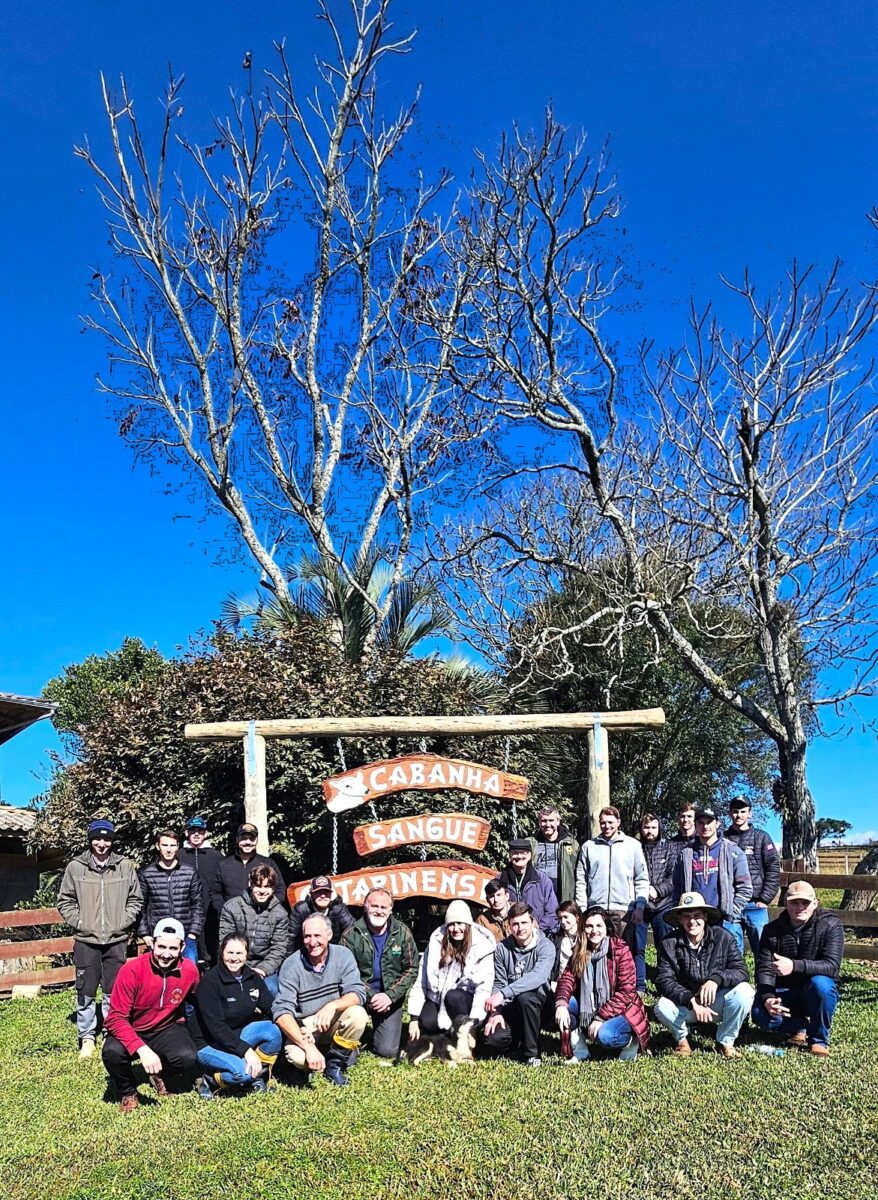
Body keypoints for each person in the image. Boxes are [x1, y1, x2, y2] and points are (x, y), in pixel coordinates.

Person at [57, 818, 142, 1059]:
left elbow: (135, 899)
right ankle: (86, 1036)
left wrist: (122, 922)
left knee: (112, 990)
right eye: (97, 838)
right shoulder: (76, 867)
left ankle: (110, 1031)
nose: (102, 843)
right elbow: (65, 900)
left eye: (106, 839)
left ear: (112, 841)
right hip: (86, 941)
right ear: (90, 840)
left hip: (116, 940)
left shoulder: (125, 867)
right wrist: (81, 923)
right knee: (86, 989)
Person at [102, 918, 200, 1112]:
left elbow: (198, 1003)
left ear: (182, 947)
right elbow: (115, 1018)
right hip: (132, 1027)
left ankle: (160, 1075)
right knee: (111, 1053)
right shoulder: (131, 970)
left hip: (166, 1027)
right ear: (152, 944)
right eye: (161, 946)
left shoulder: (190, 970)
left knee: (187, 1056)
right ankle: (128, 1091)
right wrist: (142, 1049)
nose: (166, 954)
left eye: (173, 948)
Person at [654, 891, 754, 1058]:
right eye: (686, 916)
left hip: (717, 1002)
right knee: (661, 1007)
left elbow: (741, 971)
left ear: (706, 917)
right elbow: (664, 980)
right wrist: (690, 1000)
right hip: (687, 1005)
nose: (692, 921)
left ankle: (725, 1041)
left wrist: (715, 980)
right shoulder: (668, 943)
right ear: (679, 919)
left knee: (745, 991)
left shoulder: (723, 937)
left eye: (697, 915)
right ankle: (682, 1041)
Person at [273, 912, 367, 1086]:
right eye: (307, 936)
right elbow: (281, 1012)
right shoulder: (291, 965)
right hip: (305, 1025)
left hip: (333, 1018)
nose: (312, 941)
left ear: (329, 935)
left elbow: (358, 993)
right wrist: (308, 1047)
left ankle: (334, 1065)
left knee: (358, 1014)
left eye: (317, 935)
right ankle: (316, 1058)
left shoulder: (343, 955)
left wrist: (333, 1005)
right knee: (298, 1058)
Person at [752, 879, 845, 1056]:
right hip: (785, 990)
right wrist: (768, 998)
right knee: (758, 1013)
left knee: (821, 985)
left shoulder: (831, 925)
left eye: (805, 902)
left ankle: (818, 1040)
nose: (800, 907)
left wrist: (794, 966)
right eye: (794, 902)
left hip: (814, 989)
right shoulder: (772, 930)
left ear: (815, 903)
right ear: (785, 903)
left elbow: (832, 966)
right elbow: (764, 968)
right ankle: (799, 1026)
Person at [189, 932, 281, 1097]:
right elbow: (216, 1028)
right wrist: (247, 1051)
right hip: (209, 1042)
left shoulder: (252, 977)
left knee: (274, 1030)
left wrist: (299, 1026)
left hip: (237, 1035)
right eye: (229, 953)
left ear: (247, 954)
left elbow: (271, 1007)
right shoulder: (210, 981)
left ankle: (258, 1076)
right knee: (242, 1074)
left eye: (239, 953)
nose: (234, 958)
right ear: (222, 953)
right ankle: (208, 1079)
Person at [555, 906, 649, 1061]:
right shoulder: (580, 950)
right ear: (583, 928)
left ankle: (632, 1043)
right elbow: (566, 979)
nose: (594, 931)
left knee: (606, 1036)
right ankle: (580, 1049)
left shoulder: (620, 950)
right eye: (589, 926)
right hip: (591, 1005)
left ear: (607, 928)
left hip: (623, 1010)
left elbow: (626, 992)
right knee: (565, 1003)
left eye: (599, 926)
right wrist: (561, 1004)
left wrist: (600, 1018)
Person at [574, 806, 648, 987]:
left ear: (618, 822)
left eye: (610, 822)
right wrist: (582, 910)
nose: (606, 826)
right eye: (603, 823)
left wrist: (640, 906)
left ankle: (627, 992)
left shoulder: (633, 846)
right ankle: (597, 990)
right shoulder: (589, 847)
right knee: (597, 953)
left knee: (623, 954)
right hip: (595, 909)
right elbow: (581, 880)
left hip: (623, 910)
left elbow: (641, 879)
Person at [341, 887, 419, 1059]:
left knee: (387, 1051)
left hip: (390, 998)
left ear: (391, 910)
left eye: (384, 907)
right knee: (349, 1049)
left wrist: (390, 996)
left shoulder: (402, 932)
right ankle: (350, 1039)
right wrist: (371, 995)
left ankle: (377, 1033)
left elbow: (412, 968)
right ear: (365, 907)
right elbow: (346, 973)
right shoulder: (351, 935)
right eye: (374, 905)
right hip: (358, 995)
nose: (379, 911)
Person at [408, 900, 496, 1039]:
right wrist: (414, 1018)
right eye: (451, 924)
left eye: (460, 923)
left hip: (465, 1000)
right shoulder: (435, 942)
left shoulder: (482, 947)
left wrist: (473, 1022)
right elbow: (421, 981)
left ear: (468, 924)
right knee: (427, 1021)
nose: (456, 928)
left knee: (453, 996)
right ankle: (448, 1035)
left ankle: (464, 1034)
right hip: (438, 997)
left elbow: (483, 989)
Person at [671, 806, 752, 953]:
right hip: (695, 919)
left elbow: (745, 887)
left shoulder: (732, 851)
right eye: (701, 822)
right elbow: (676, 887)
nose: (705, 826)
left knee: (730, 960)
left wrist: (731, 911)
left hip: (725, 919)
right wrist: (680, 915)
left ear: (718, 823)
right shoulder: (686, 854)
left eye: (709, 822)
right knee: (696, 959)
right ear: (695, 825)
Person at [482, 903, 555, 1066]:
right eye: (515, 924)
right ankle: (519, 1039)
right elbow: (499, 981)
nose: (520, 928)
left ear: (533, 922)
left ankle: (532, 1054)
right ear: (509, 926)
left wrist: (502, 994)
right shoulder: (502, 948)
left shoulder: (545, 946)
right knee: (493, 1041)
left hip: (540, 1005)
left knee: (526, 997)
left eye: (524, 923)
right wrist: (497, 1011)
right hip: (512, 1006)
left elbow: (538, 977)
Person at [218, 864, 289, 996]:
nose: (262, 891)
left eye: (267, 887)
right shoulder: (232, 907)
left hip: (264, 966)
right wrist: (242, 968)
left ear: (273, 888)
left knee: (272, 990)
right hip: (234, 961)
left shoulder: (280, 914)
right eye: (258, 886)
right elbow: (225, 941)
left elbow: (278, 949)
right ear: (251, 884)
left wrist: (262, 970)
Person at [138, 829, 204, 964]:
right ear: (158, 846)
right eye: (165, 845)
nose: (169, 850)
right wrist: (145, 934)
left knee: (189, 975)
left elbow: (198, 905)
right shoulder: (146, 873)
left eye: (172, 845)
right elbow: (140, 906)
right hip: (158, 936)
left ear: (178, 846)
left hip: (185, 936)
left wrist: (193, 933)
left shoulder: (189, 872)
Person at [725, 797, 781, 956]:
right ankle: (737, 981)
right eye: (735, 812)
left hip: (755, 905)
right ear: (729, 813)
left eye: (743, 812)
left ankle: (764, 981)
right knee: (733, 951)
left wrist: (765, 899)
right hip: (731, 904)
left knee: (763, 950)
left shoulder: (762, 837)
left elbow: (773, 868)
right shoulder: (723, 839)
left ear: (750, 814)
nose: (739, 815)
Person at [636, 813, 677, 991]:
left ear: (659, 828)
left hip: (664, 905)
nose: (649, 831)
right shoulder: (634, 848)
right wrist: (642, 892)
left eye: (653, 827)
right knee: (638, 947)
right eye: (646, 827)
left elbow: (674, 876)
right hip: (640, 905)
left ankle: (664, 983)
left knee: (665, 946)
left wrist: (658, 891)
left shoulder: (669, 847)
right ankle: (639, 985)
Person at [210, 823, 286, 918]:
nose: (248, 842)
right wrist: (224, 911)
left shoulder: (268, 863)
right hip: (231, 920)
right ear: (237, 839)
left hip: (262, 919)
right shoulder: (223, 865)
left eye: (252, 838)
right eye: (244, 838)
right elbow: (215, 893)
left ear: (256, 840)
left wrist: (268, 911)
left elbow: (280, 890)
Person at [180, 815, 223, 962]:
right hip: (186, 915)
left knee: (212, 953)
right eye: (193, 831)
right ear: (186, 833)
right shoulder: (178, 855)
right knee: (188, 956)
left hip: (211, 914)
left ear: (205, 834)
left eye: (200, 830)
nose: (196, 834)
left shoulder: (216, 856)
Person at [493, 840, 558, 934]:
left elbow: (552, 913)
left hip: (537, 935)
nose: (519, 856)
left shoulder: (542, 881)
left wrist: (537, 928)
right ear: (509, 855)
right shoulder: (500, 880)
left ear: (530, 855)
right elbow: (493, 907)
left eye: (523, 853)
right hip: (508, 936)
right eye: (515, 853)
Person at [288, 874, 355, 952]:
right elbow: (291, 938)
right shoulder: (301, 910)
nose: (323, 896)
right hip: (308, 952)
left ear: (331, 894)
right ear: (311, 894)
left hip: (334, 952)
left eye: (327, 892)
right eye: (318, 892)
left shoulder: (339, 909)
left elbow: (352, 931)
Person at [527, 807, 579, 902]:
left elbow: (578, 873)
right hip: (538, 894)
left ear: (558, 821)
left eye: (551, 820)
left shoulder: (571, 844)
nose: (547, 824)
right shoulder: (531, 844)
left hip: (562, 895)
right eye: (544, 821)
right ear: (539, 822)